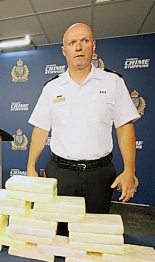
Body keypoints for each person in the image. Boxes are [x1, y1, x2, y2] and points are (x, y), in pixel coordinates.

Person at [26, 23, 140, 215]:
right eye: (72, 43)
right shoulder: (51, 88)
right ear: (64, 50)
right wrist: (30, 167)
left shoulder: (113, 82)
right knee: (59, 231)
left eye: (84, 41)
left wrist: (130, 170)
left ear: (93, 46)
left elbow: (125, 126)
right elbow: (40, 129)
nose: (78, 47)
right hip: (60, 174)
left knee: (93, 232)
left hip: (99, 175)